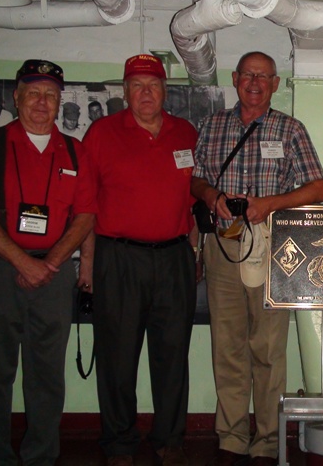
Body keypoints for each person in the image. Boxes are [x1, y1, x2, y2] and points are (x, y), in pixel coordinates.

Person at [0, 59, 96, 466]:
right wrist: (22, 261)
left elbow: (85, 214)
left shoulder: (74, 150)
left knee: (47, 376)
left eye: (51, 95)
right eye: (33, 93)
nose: (42, 102)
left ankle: (41, 457)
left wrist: (50, 263)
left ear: (59, 102)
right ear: (17, 98)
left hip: (52, 276)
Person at [191, 51, 323, 466]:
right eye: (248, 74)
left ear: (275, 84)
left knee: (268, 349)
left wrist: (271, 203)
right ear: (234, 79)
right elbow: (194, 177)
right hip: (222, 246)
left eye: (263, 76)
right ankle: (231, 436)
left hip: (270, 246)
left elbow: (318, 188)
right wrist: (211, 195)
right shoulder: (212, 126)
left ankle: (268, 440)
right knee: (227, 346)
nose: (254, 82)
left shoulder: (290, 129)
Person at [81, 54, 199, 466]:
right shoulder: (102, 133)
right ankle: (119, 442)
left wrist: (194, 251)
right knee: (117, 356)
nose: (145, 93)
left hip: (174, 259)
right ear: (125, 91)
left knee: (172, 355)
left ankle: (169, 439)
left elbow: (195, 199)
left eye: (153, 85)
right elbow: (86, 206)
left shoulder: (186, 133)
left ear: (165, 91)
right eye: (136, 85)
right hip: (118, 258)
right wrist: (86, 266)